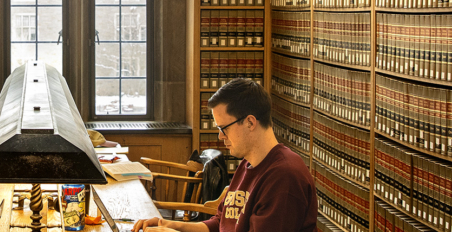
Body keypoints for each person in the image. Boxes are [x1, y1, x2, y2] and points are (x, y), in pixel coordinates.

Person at [133, 78, 317, 232]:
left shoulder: (284, 177)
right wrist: (169, 225)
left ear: (250, 123)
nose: (220, 136)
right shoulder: (248, 163)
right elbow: (220, 223)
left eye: (223, 128)